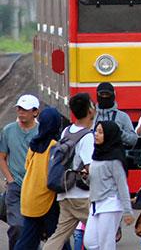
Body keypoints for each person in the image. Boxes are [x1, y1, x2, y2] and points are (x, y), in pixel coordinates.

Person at [44, 93, 97, 250]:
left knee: (60, 235)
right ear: (89, 111)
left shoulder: (67, 131)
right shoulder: (87, 137)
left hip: (64, 193)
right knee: (102, 232)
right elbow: (90, 168)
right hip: (81, 196)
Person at [14, 107, 63, 249]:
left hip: (29, 195)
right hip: (45, 197)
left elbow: (26, 166)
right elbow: (55, 173)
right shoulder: (54, 146)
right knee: (58, 237)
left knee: (28, 238)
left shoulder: (34, 144)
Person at [84, 121, 133, 250]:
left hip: (110, 204)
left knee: (106, 244)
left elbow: (122, 185)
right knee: (90, 242)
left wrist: (128, 211)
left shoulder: (115, 159)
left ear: (109, 135)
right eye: (96, 131)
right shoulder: (96, 155)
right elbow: (94, 180)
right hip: (95, 204)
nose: (96, 135)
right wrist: (85, 177)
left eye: (100, 132)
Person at [0, 94, 40, 249]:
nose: (21, 112)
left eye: (25, 110)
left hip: (35, 187)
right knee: (17, 226)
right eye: (19, 109)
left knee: (32, 227)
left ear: (35, 112)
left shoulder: (40, 132)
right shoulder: (8, 131)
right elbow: (2, 156)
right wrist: (10, 179)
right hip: (15, 186)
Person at [94, 82, 138, 147]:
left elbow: (133, 140)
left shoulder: (123, 116)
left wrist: (119, 133)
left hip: (116, 154)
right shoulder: (91, 116)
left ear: (113, 96)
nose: (104, 97)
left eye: (107, 94)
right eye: (102, 94)